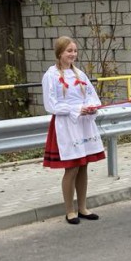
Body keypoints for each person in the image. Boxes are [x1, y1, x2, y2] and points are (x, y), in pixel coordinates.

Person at [42, 36, 106, 225]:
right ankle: (70, 210)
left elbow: (92, 96)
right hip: (66, 125)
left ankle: (83, 207)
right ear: (60, 53)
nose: (73, 54)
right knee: (72, 168)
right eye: (69, 51)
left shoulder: (80, 74)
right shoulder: (51, 75)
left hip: (84, 124)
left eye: (75, 51)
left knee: (84, 165)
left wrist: (92, 107)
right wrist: (76, 109)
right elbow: (51, 105)